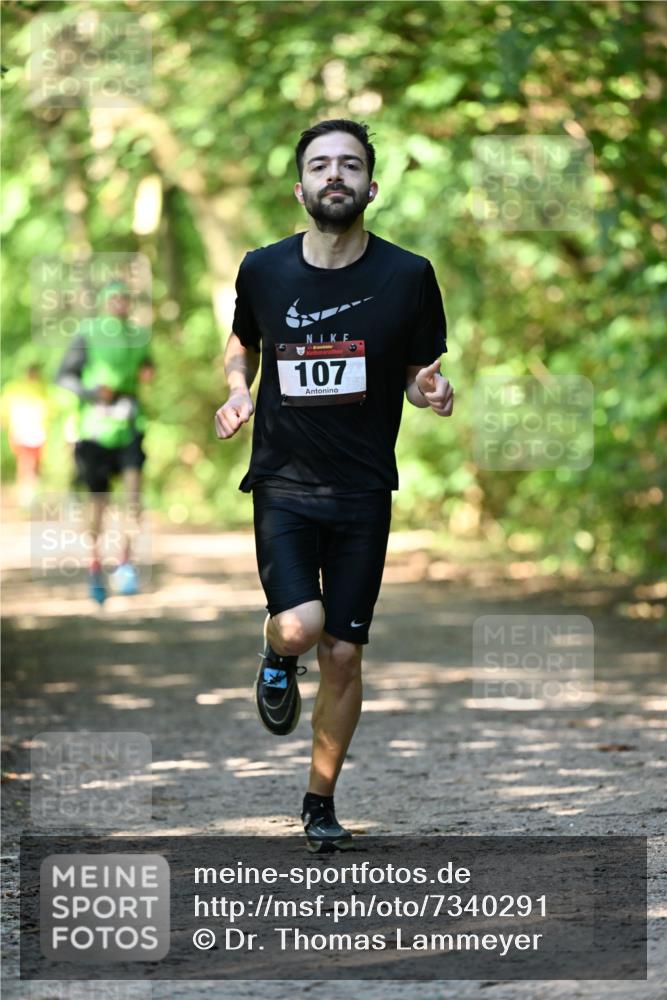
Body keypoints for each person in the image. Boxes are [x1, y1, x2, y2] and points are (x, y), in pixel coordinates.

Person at [215, 119, 454, 853]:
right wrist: (236, 389)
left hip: (363, 488)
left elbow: (416, 373)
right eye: (320, 165)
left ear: (370, 187)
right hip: (283, 480)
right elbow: (243, 342)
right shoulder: (263, 269)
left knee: (344, 655)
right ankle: (275, 654)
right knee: (299, 626)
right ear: (300, 188)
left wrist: (429, 390)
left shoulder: (408, 276)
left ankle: (319, 802)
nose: (335, 175)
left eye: (349, 164)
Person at [56, 280, 154, 604]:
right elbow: (63, 376)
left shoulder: (138, 335)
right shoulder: (87, 333)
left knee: (133, 496)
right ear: (104, 303)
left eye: (124, 298)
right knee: (98, 503)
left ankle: (125, 563)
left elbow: (148, 365)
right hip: (94, 431)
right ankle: (95, 565)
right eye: (114, 299)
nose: (120, 304)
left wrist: (147, 372)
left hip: (130, 426)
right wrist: (91, 392)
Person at [1, 364, 50, 508]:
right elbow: (4, 410)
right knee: (26, 464)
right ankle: (26, 496)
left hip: (38, 434)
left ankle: (30, 494)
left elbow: (49, 411)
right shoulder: (15, 389)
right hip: (21, 434)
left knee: (35, 465)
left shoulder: (42, 390)